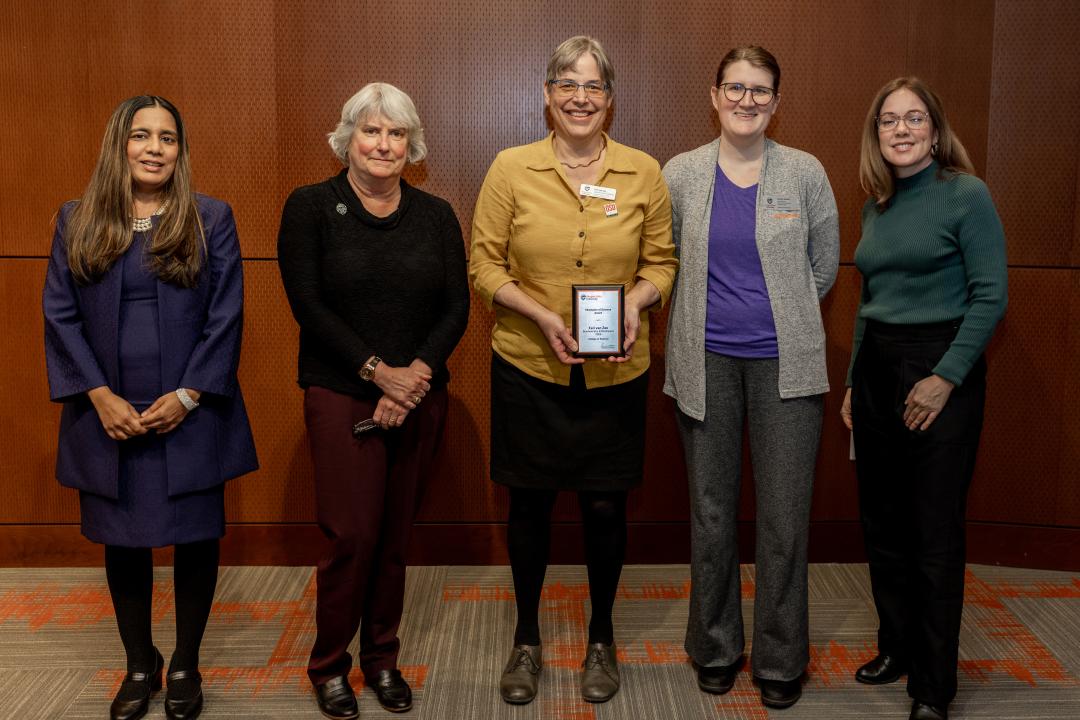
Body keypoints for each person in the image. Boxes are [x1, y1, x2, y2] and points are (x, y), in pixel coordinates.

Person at [470, 35, 676, 706]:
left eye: (593, 87)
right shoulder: (510, 168)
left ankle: (601, 637)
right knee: (529, 502)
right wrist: (540, 315)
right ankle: (526, 639)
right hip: (528, 363)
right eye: (567, 84)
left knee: (604, 504)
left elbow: (662, 264)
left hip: (617, 371)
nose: (580, 98)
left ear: (610, 99)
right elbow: (484, 266)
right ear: (547, 95)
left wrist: (637, 304)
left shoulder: (644, 172)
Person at [43, 95, 257, 720]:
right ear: (120, 145)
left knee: (194, 537)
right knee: (123, 540)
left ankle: (186, 663)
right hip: (108, 412)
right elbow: (59, 315)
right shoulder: (76, 219)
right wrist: (99, 396)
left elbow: (227, 314)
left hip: (189, 408)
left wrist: (189, 394)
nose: (155, 148)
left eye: (167, 138)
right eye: (141, 136)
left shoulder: (210, 218)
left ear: (180, 151)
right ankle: (140, 662)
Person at [277, 82, 469, 720]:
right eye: (372, 131)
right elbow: (308, 305)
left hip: (418, 396)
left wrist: (411, 377)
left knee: (393, 538)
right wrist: (375, 373)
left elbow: (455, 308)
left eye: (397, 134)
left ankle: (382, 659)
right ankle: (329, 665)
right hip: (339, 393)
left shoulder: (437, 215)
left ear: (412, 146)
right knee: (351, 536)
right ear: (347, 138)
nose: (384, 144)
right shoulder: (309, 207)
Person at [662, 46, 839, 709]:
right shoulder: (679, 174)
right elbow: (664, 259)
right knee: (712, 516)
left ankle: (780, 658)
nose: (746, 101)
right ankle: (714, 648)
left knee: (784, 521)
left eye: (760, 91)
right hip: (703, 362)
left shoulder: (804, 173)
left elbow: (823, 264)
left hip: (786, 370)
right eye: (734, 88)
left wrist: (783, 317)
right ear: (713, 96)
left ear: (776, 102)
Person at [840, 77, 1007, 720]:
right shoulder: (875, 205)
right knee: (883, 524)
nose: (901, 130)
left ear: (935, 131)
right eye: (889, 121)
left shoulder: (966, 195)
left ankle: (933, 687)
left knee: (933, 532)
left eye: (914, 119)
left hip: (941, 366)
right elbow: (868, 301)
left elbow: (991, 295)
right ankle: (897, 646)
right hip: (879, 367)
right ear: (876, 135)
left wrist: (946, 376)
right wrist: (857, 379)